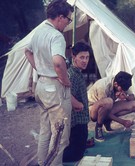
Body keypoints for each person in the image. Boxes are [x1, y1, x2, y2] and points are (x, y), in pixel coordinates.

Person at [25, 0, 73, 165]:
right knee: (60, 135)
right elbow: (58, 62)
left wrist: (39, 69)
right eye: (68, 19)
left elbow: (27, 50)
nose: (68, 23)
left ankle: (41, 162)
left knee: (46, 130)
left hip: (42, 86)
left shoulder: (38, 31)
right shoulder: (56, 35)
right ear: (60, 17)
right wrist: (65, 81)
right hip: (54, 88)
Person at [88, 71, 135, 142]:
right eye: (122, 89)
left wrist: (126, 96)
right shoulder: (103, 86)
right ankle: (98, 127)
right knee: (109, 102)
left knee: (134, 105)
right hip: (92, 109)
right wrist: (123, 122)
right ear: (115, 84)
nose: (124, 91)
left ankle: (107, 122)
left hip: (106, 108)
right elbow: (104, 110)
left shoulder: (122, 83)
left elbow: (132, 98)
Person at [63, 42, 91, 162]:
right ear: (74, 57)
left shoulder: (77, 72)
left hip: (81, 120)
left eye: (87, 57)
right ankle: (49, 160)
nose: (85, 61)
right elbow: (66, 95)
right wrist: (78, 105)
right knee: (76, 154)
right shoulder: (72, 75)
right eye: (82, 57)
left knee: (80, 149)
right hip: (77, 122)